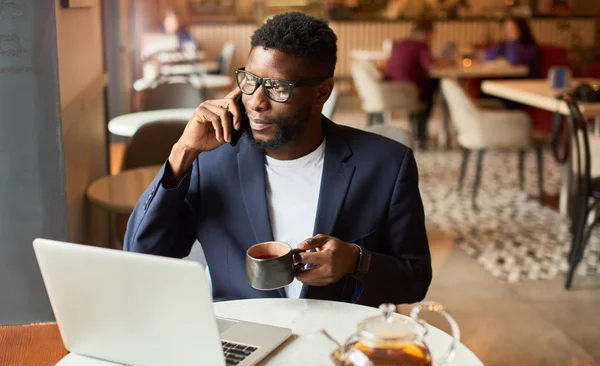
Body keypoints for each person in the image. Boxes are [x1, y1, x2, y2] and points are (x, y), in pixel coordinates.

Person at [124, 12, 432, 307]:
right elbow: (143, 254)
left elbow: (415, 280)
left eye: (276, 88)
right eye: (249, 81)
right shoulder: (213, 162)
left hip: (337, 346)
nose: (256, 102)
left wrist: (356, 260)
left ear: (321, 93)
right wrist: (182, 152)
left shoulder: (385, 165)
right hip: (243, 340)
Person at [384, 20, 438, 149]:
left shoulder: (400, 43)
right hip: (409, 91)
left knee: (425, 87)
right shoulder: (421, 45)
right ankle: (421, 133)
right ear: (426, 34)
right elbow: (430, 67)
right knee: (434, 85)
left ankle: (417, 128)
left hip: (389, 90)